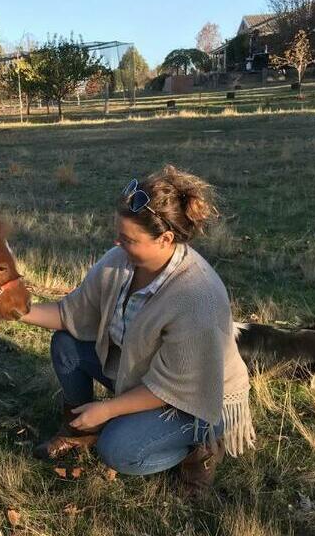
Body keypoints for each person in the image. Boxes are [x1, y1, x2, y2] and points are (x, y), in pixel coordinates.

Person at [20, 165, 255, 496]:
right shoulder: (121, 260)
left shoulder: (196, 296)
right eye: (119, 234)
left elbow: (170, 388)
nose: (117, 242)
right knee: (66, 344)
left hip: (194, 398)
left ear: (166, 239)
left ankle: (199, 448)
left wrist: (108, 409)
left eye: (129, 239)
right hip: (142, 372)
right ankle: (80, 430)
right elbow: (69, 313)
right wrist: (14, 310)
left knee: (119, 451)